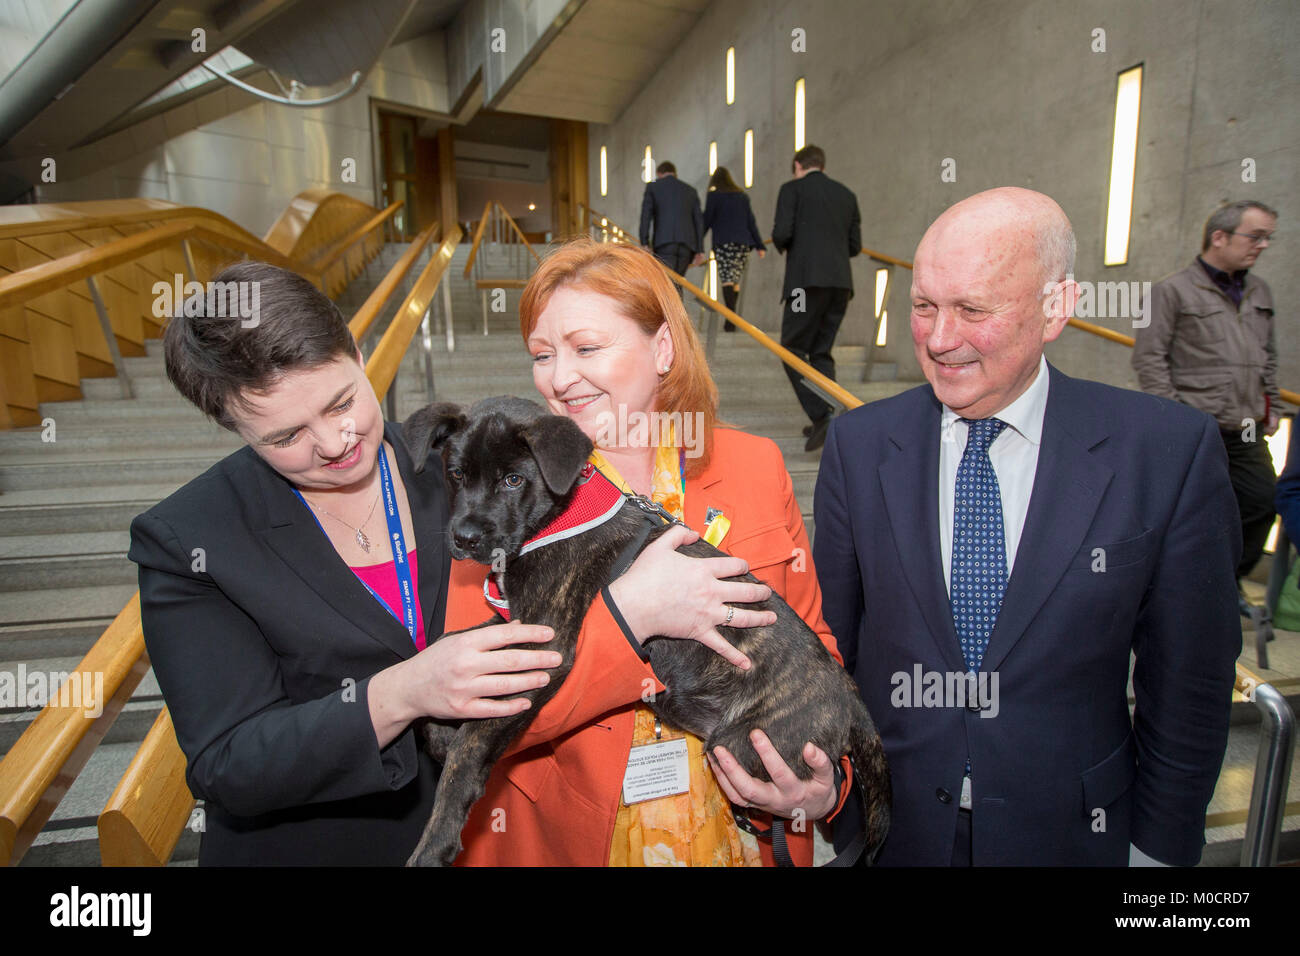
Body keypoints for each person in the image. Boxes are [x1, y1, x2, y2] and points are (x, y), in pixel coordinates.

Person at [127, 260, 775, 864]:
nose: (333, 443)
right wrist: (402, 693)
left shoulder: (465, 467)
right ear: (233, 427)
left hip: (485, 839)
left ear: (357, 353)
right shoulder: (190, 538)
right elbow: (228, 764)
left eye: (340, 402)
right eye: (285, 436)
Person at [813, 187, 1241, 866]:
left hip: (1077, 836)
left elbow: (1189, 682)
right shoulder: (860, 446)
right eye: (924, 306)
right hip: (893, 834)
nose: (939, 339)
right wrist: (836, 810)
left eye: (973, 309)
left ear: (1056, 309)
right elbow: (831, 650)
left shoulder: (1163, 451)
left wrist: (1157, 853)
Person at [444, 237, 857, 866]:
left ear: (661, 348)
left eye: (586, 349)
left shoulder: (754, 464)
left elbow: (815, 652)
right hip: (576, 840)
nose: (558, 377)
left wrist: (821, 785)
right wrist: (627, 616)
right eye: (542, 355)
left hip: (741, 836)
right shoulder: (508, 487)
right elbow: (470, 707)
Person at [1132, 200, 1280, 611]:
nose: (1263, 245)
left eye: (1269, 237)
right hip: (1197, 431)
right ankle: (1182, 592)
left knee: (1262, 501)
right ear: (1219, 237)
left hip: (1246, 427)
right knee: (1191, 516)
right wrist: (1177, 420)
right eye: (1256, 236)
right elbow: (1149, 359)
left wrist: (1272, 406)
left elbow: (1268, 355)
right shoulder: (1170, 291)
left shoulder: (1260, 291)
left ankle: (1221, 583)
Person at [771, 144, 862, 452]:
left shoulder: (792, 190)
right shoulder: (846, 195)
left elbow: (781, 233)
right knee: (821, 352)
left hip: (803, 286)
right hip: (839, 285)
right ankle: (829, 415)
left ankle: (822, 415)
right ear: (821, 165)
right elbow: (855, 245)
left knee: (792, 350)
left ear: (798, 165)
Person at [702, 165, 766, 331]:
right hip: (743, 244)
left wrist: (696, 245)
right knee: (735, 280)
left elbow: (706, 221)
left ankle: (731, 319)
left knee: (727, 279)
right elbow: (751, 222)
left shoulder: (714, 196)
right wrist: (759, 245)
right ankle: (732, 319)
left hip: (723, 243)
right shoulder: (742, 196)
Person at [639, 160, 705, 280]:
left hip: (664, 243)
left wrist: (644, 242)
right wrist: (700, 250)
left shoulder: (653, 186)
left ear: (659, 173)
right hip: (687, 245)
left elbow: (646, 215)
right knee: (678, 283)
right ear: (674, 173)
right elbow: (699, 222)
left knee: (667, 283)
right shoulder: (690, 190)